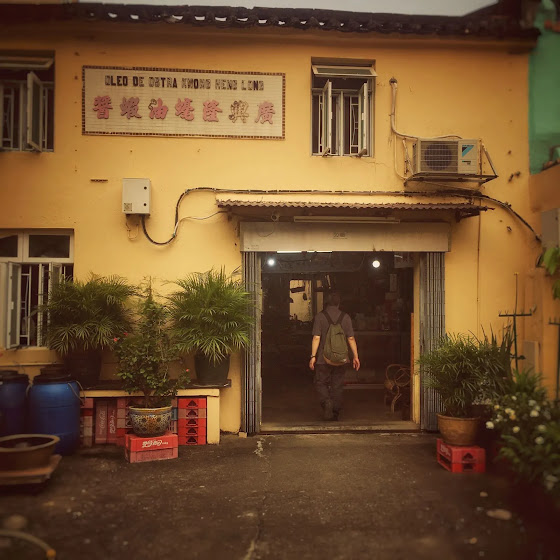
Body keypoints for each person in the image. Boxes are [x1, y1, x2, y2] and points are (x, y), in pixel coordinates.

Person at [308, 292, 360, 421]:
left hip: (323, 358)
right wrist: (355, 356)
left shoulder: (320, 317)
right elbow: (351, 338)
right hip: (341, 358)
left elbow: (316, 338)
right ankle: (335, 411)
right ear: (339, 303)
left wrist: (313, 356)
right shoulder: (345, 317)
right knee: (337, 384)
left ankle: (326, 402)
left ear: (326, 303)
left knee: (321, 382)